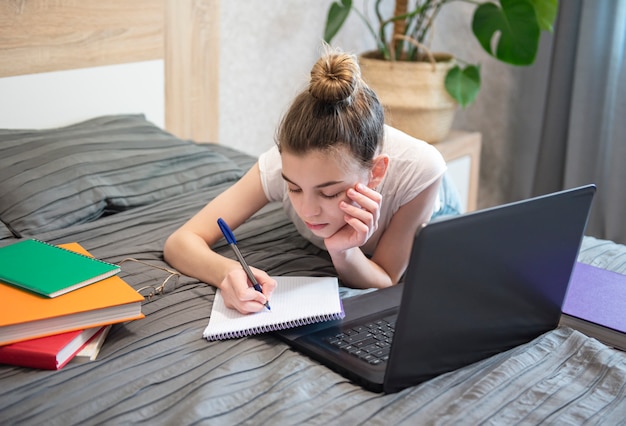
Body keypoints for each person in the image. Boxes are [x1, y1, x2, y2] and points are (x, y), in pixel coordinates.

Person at [163, 48, 446, 314]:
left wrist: (344, 251)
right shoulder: (279, 165)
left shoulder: (419, 171)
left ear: (376, 172)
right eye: (294, 188)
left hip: (436, 209)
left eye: (330, 193)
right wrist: (227, 273)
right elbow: (181, 242)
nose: (308, 210)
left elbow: (385, 278)